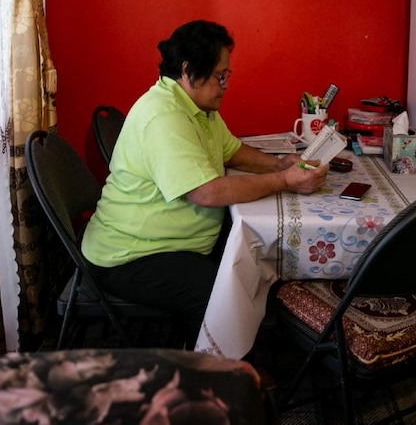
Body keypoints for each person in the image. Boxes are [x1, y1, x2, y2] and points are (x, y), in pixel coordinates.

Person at [82, 20, 329, 349]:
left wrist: (279, 163)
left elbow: (232, 151)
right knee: (219, 290)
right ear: (188, 70)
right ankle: (213, 375)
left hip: (168, 243)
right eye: (219, 75)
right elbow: (206, 192)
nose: (226, 84)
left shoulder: (198, 107)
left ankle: (240, 354)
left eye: (227, 75)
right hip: (129, 255)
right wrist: (284, 180)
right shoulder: (164, 116)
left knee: (251, 256)